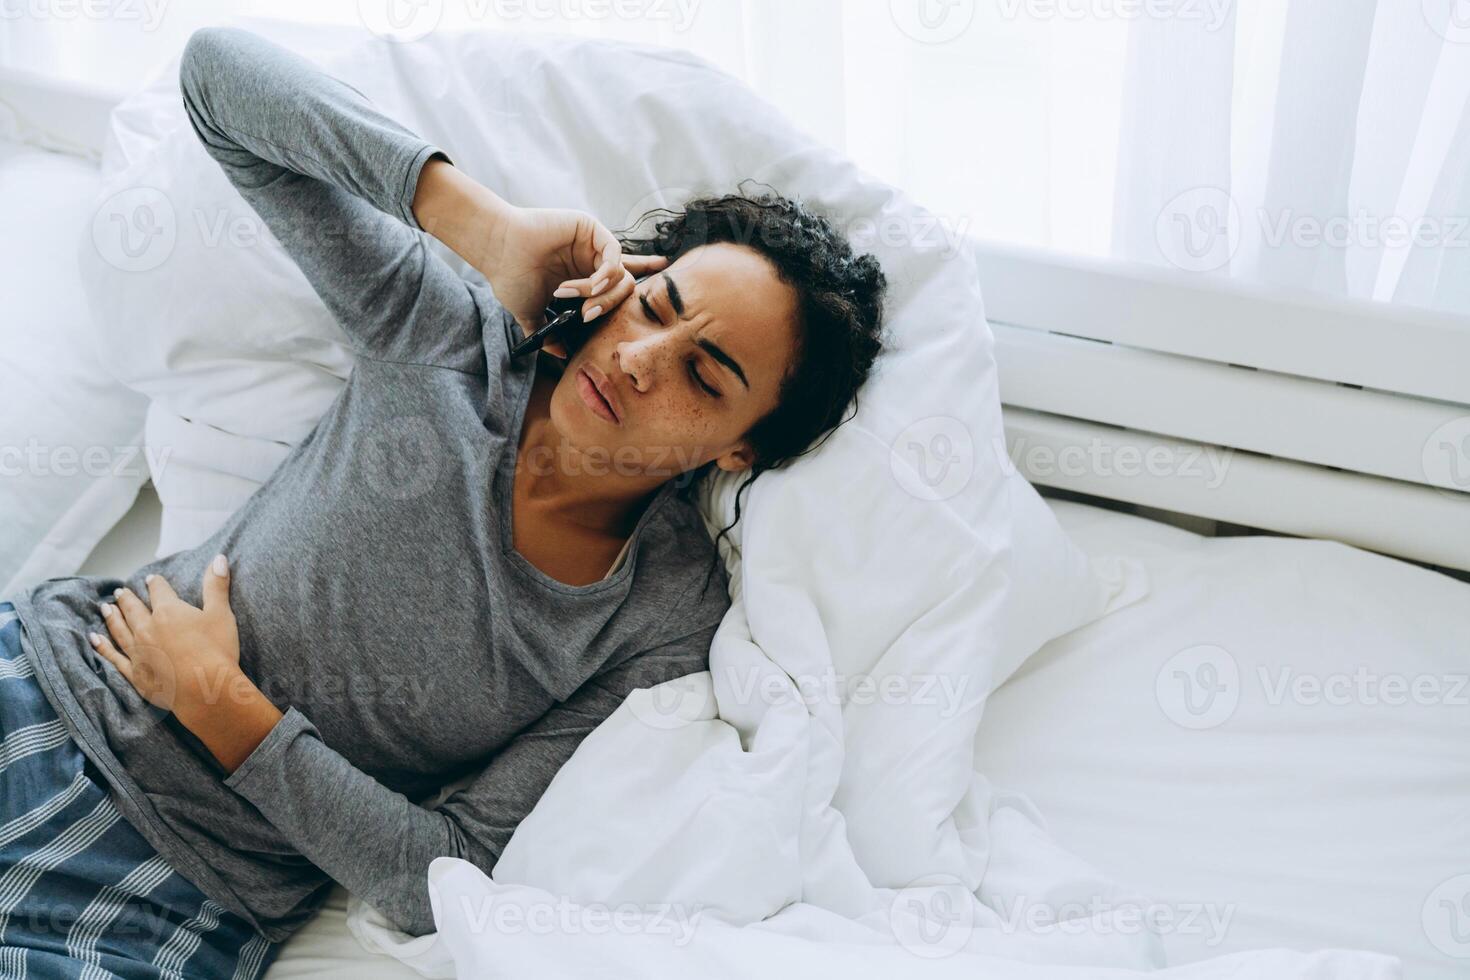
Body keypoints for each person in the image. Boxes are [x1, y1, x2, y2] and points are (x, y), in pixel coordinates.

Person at [0, 24, 887, 977]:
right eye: (657, 305)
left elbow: (448, 869)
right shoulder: (452, 338)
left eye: (702, 377)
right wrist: (482, 227)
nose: (636, 361)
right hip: (51, 686)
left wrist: (229, 711)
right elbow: (217, 78)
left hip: (176, 893)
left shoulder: (663, 615)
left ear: (741, 447)